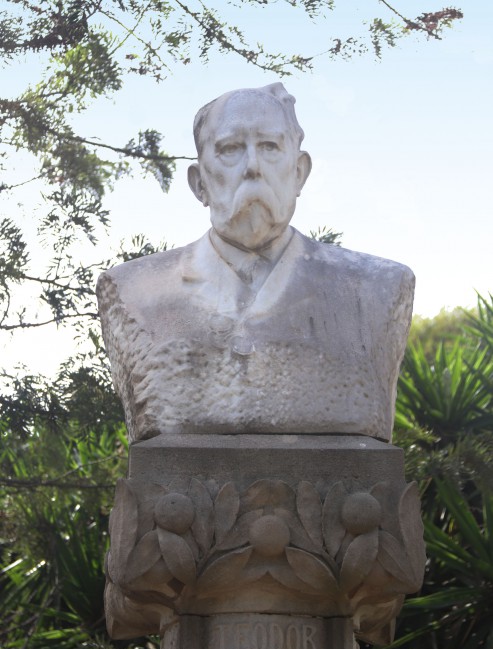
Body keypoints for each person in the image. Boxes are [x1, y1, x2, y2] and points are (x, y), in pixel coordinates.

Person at [97, 83, 414, 443]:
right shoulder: (134, 293)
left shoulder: (376, 289)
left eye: (270, 147)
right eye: (231, 149)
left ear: (299, 173)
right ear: (199, 183)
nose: (252, 167)